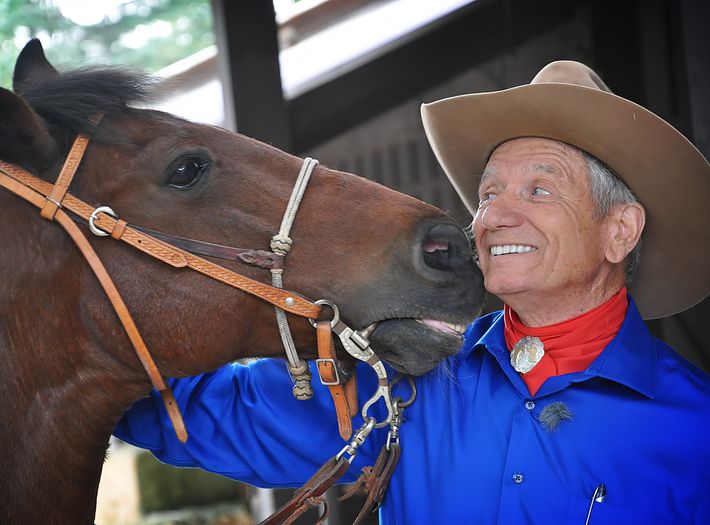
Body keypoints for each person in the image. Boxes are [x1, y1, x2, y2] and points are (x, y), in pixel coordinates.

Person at [114, 61, 710, 524]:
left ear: (619, 231)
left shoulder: (697, 429)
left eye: (539, 190)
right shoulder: (407, 378)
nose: (494, 216)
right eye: (487, 194)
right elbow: (198, 416)